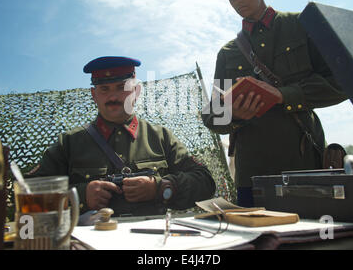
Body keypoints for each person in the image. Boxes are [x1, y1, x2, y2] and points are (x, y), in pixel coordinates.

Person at [202, 0, 347, 207]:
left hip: (304, 166)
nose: (237, 1)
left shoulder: (302, 25)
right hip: (252, 175)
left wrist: (284, 95)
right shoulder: (228, 53)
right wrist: (234, 113)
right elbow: (212, 116)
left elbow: (343, 82)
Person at [30, 56, 216, 216]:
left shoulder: (160, 137)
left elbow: (205, 182)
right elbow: (29, 195)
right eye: (104, 89)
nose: (113, 97)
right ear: (94, 95)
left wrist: (159, 187)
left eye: (121, 87)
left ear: (136, 91)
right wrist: (79, 196)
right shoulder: (68, 143)